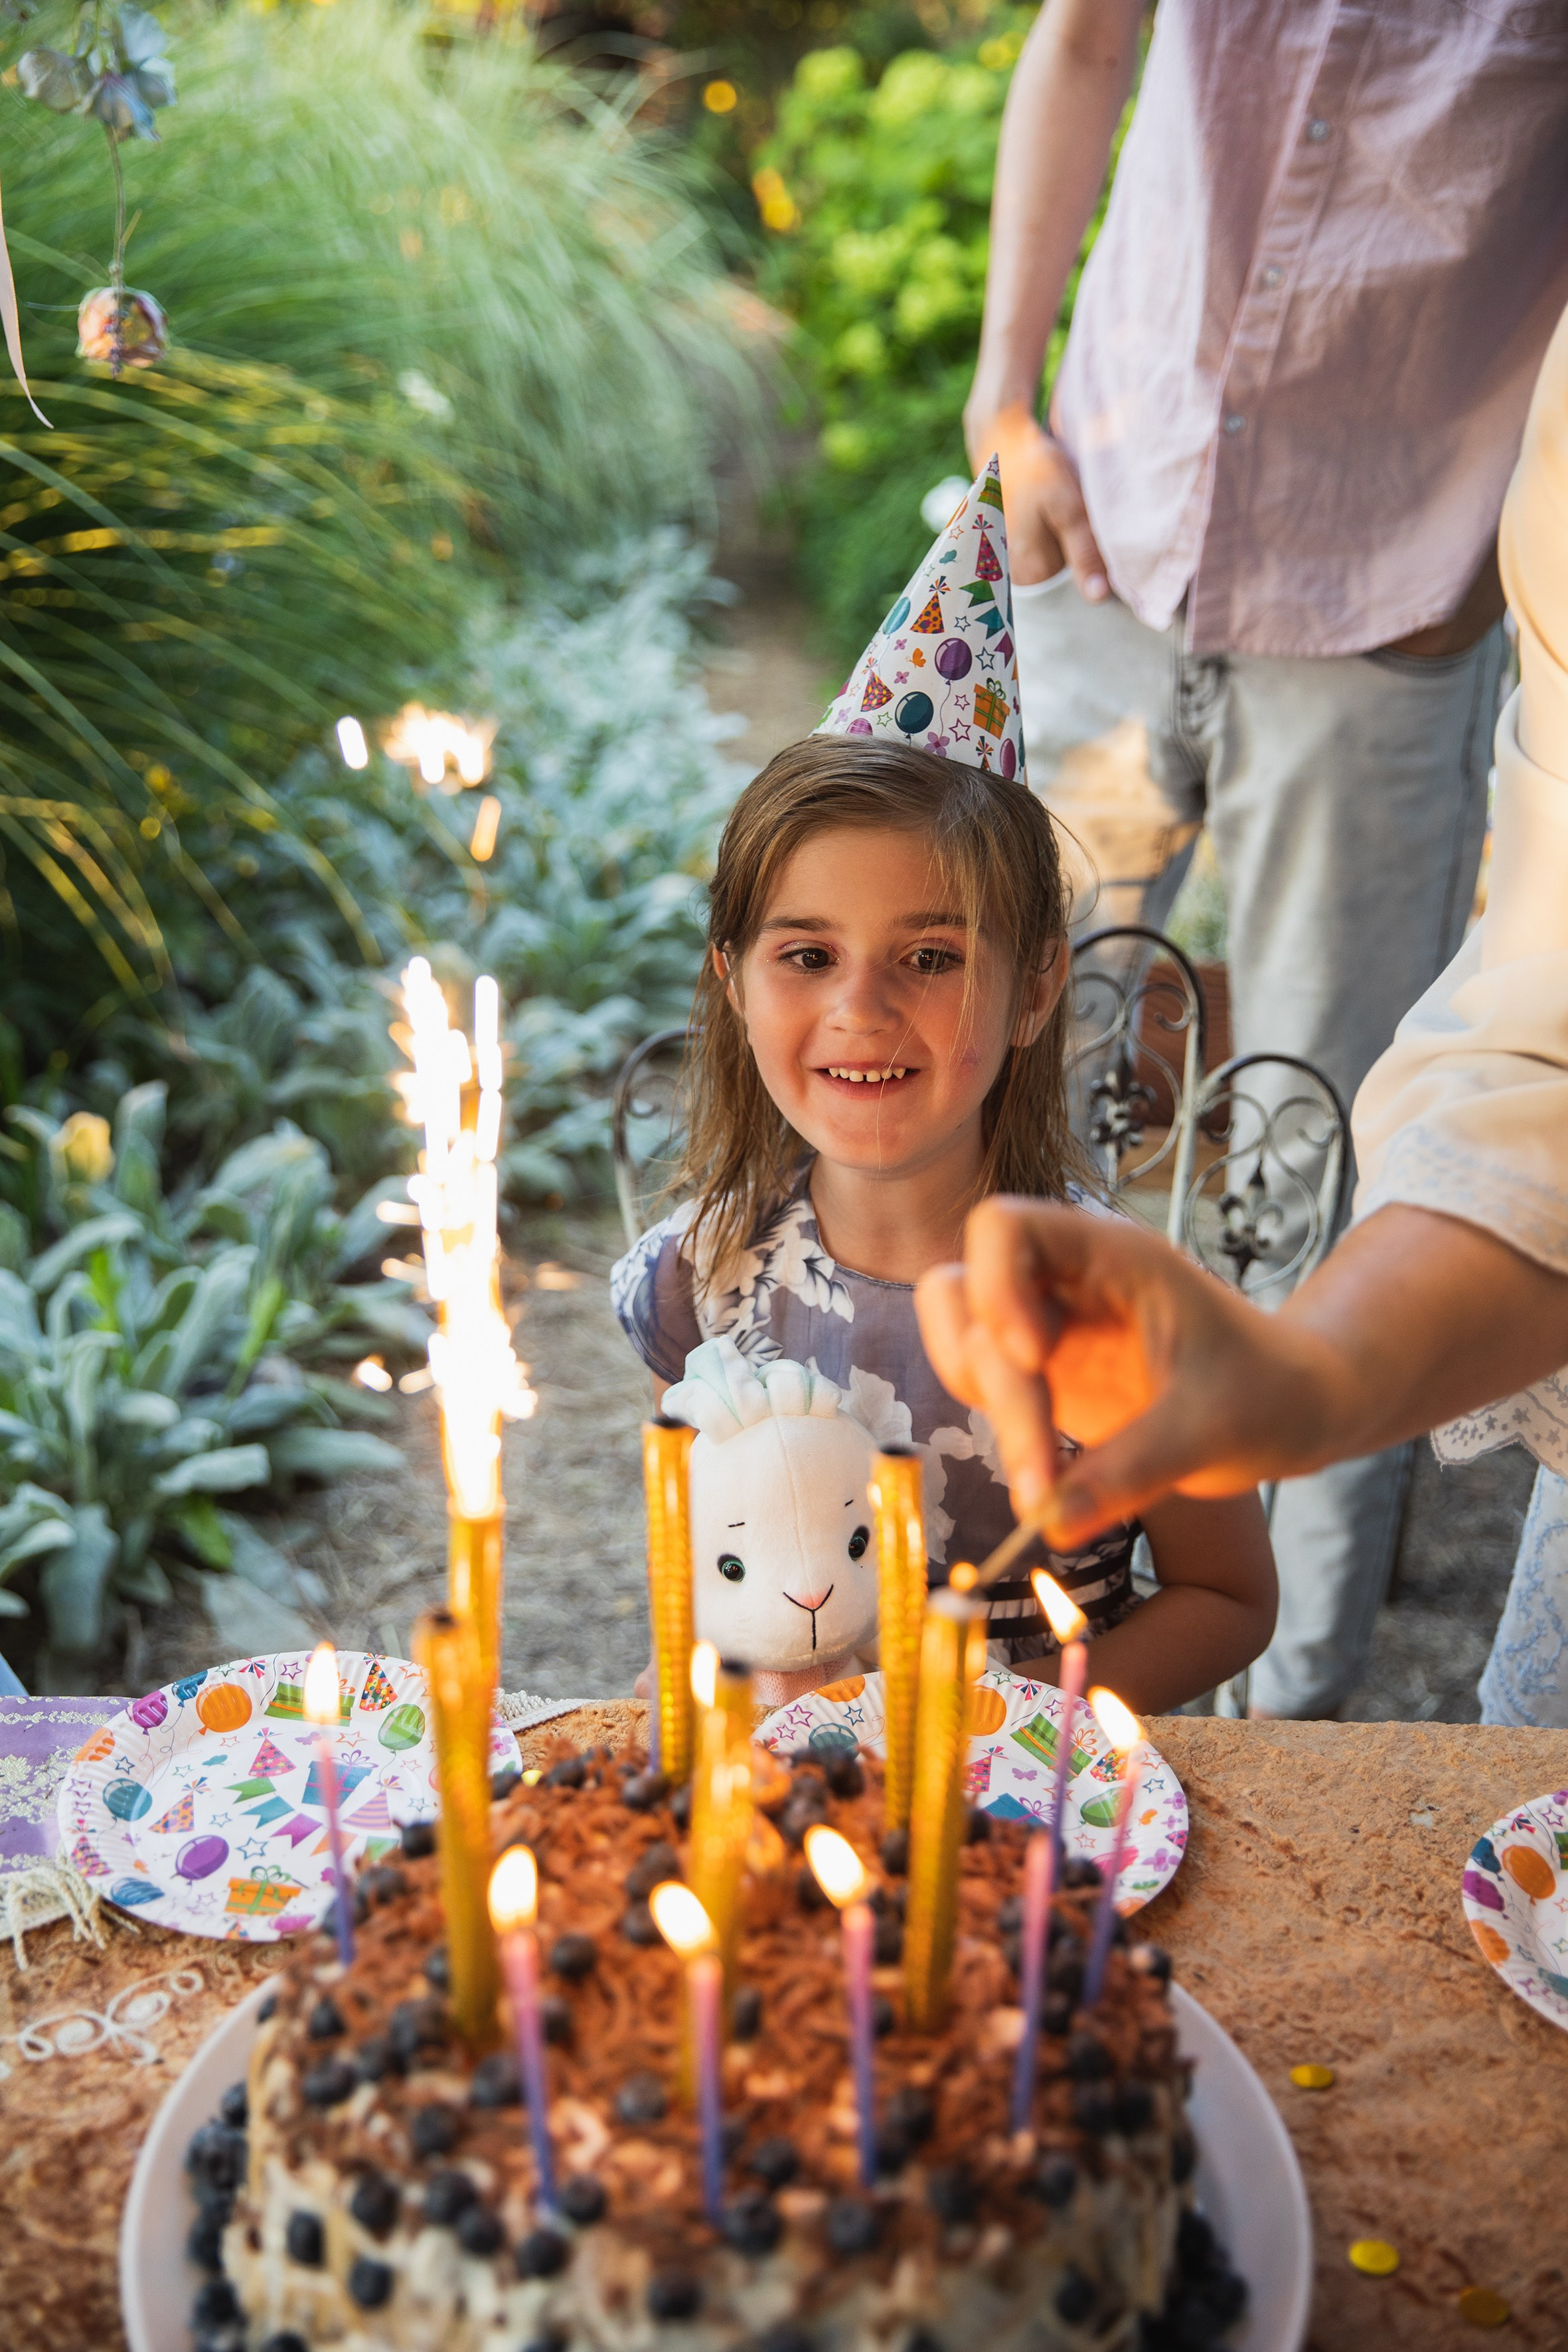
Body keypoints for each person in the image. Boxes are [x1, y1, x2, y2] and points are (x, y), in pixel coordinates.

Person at [962, 0, 1568, 1718]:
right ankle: (960, 1620)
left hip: (1385, 607)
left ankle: (1283, 1714)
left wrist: (1496, 553)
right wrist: (1006, 392)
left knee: (1325, 1163)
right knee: (998, 1088)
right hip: (1110, 535)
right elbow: (1083, 40)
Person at [613, 469, 1275, 1715]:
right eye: (807, 956)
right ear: (735, 984)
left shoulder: (1119, 1311)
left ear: (1033, 990)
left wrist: (1001, 1724)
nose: (861, 1009)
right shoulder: (698, 1285)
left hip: (1040, 1837)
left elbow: (1229, 1601)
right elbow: (694, 1582)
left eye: (930, 958)